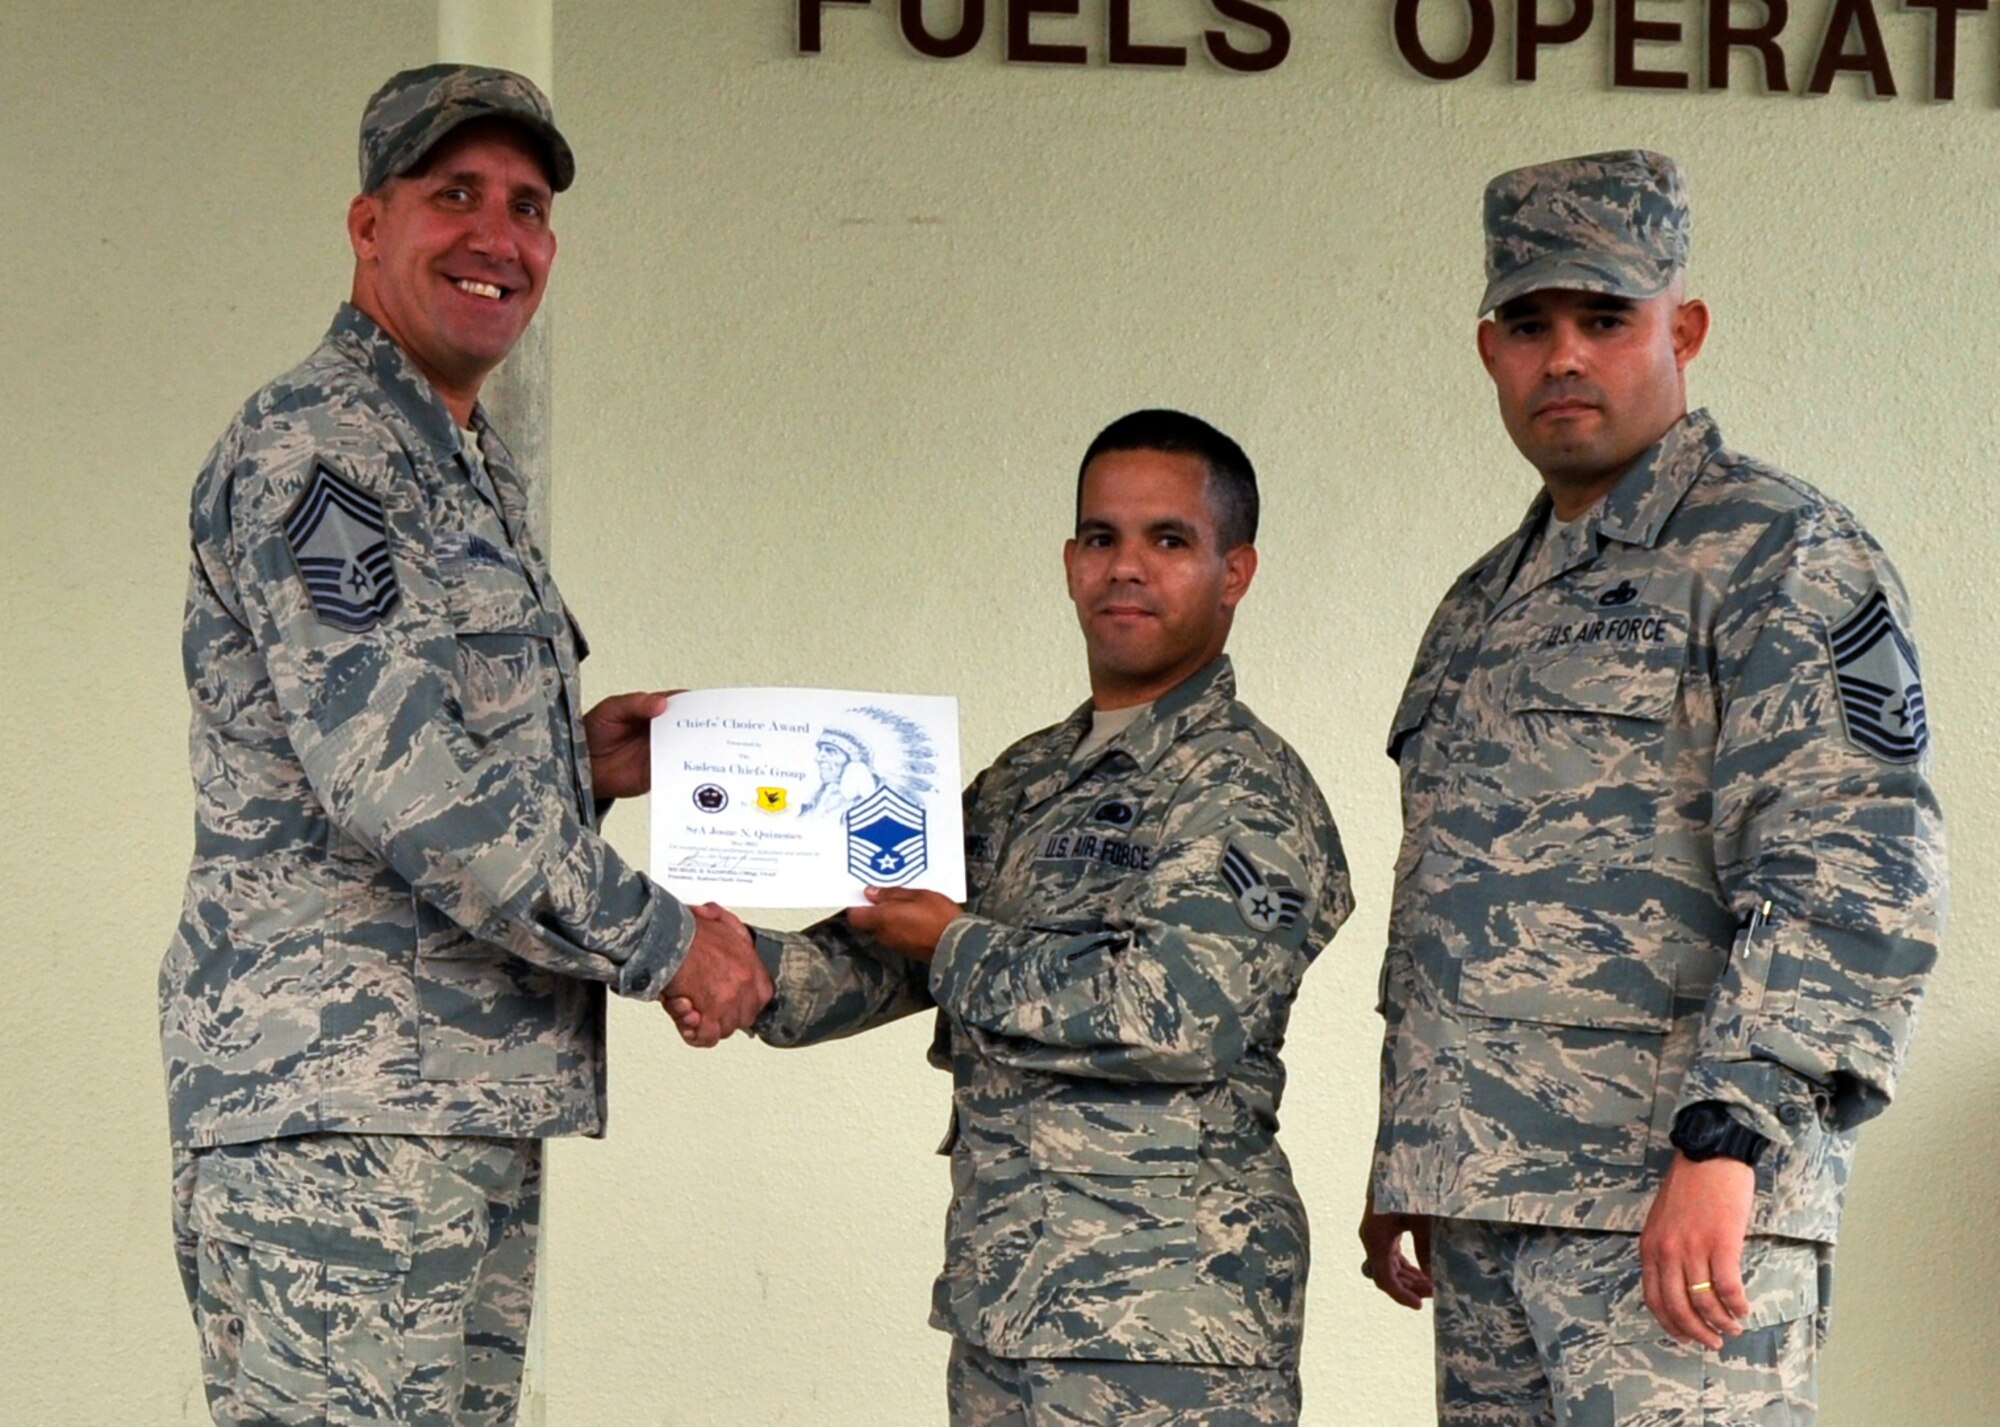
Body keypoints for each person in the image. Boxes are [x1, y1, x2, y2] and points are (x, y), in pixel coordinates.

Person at [161, 64, 770, 1426]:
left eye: (530, 204)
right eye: (455, 196)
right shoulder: (322, 449)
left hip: (445, 1101)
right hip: (345, 1111)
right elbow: (400, 778)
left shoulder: (448, 447)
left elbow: (418, 735)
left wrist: (576, 757)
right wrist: (671, 939)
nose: (500, 237)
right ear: (367, 223)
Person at [1358, 150, 1945, 1426]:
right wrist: (1413, 1144)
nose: (1561, 355)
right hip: (1484, 1203)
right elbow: (1455, 899)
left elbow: (1851, 873)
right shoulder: (1479, 602)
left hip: (1673, 1212)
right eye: (1529, 324)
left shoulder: (1777, 554)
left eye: (1602, 318)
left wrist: (1728, 1141)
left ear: (1679, 329)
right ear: (1489, 351)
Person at [671, 409, 1352, 1426]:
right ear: (1069, 561)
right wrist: (727, 959)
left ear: (1234, 570)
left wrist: (950, 939)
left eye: (1168, 539)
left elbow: (1174, 1013)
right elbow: (891, 942)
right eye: (1099, 536)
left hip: (1169, 1328)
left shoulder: (1243, 786)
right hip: (1009, 1309)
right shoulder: (1030, 778)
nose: (1125, 566)